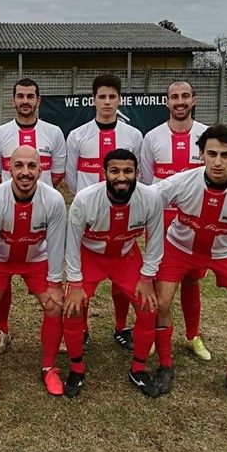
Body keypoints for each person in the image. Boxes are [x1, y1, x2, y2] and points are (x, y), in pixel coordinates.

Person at [154, 125, 227, 407]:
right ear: (201, 154)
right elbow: (146, 198)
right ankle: (165, 366)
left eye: (225, 155)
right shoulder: (182, 182)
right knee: (161, 304)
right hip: (179, 249)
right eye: (212, 154)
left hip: (224, 254)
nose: (218, 161)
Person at [63, 148, 163, 399]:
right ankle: (76, 368)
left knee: (149, 308)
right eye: (114, 171)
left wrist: (147, 278)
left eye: (128, 171)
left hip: (126, 256)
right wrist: (75, 283)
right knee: (73, 309)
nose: (121, 177)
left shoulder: (151, 198)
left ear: (137, 173)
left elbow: (155, 241)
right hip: (90, 256)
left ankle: (138, 369)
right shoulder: (85, 199)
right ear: (104, 173)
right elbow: (71, 243)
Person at [0, 145, 67, 398]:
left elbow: (56, 244)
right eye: (19, 165)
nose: (25, 172)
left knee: (54, 306)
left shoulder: (54, 200)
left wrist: (54, 283)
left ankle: (49, 367)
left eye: (32, 166)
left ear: (41, 170)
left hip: (36, 259)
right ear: (9, 168)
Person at [0, 77, 67, 355]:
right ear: (13, 100)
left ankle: (60, 334)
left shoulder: (54, 132)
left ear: (38, 100)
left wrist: (37, 199)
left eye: (30, 96)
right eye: (20, 96)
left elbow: (58, 174)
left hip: (40, 218)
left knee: (52, 280)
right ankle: (2, 330)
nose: (25, 101)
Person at [65, 73, 144, 352]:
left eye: (112, 97)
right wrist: (89, 202)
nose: (107, 102)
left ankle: (121, 328)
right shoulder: (77, 135)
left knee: (123, 281)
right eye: (102, 97)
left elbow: (138, 175)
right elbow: (71, 177)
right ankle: (82, 330)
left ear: (119, 99)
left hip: (124, 215)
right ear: (93, 100)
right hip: (91, 221)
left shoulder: (134, 135)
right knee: (83, 285)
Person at [139, 81, 211, 361]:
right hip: (161, 220)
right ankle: (155, 334)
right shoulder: (152, 137)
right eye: (174, 97)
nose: (180, 101)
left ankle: (193, 335)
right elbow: (149, 181)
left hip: (195, 221)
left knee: (192, 281)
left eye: (185, 96)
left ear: (194, 100)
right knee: (159, 280)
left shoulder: (207, 135)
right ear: (166, 102)